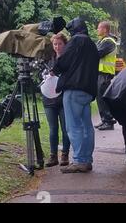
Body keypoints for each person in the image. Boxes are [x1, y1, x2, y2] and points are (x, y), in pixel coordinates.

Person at [52, 17, 99, 173]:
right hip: (88, 91)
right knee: (87, 127)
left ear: (73, 30)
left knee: (73, 126)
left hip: (73, 89)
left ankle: (79, 160)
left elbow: (63, 63)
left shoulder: (75, 41)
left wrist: (56, 66)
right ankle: (86, 160)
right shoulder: (92, 44)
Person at [41, 33, 70, 167]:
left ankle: (65, 154)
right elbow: (41, 77)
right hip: (49, 99)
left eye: (60, 44)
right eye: (55, 44)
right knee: (53, 129)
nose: (57, 47)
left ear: (65, 44)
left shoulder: (68, 59)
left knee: (65, 128)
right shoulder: (48, 60)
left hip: (63, 99)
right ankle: (53, 156)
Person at [94, 21, 117, 131]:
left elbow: (97, 53)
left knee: (102, 97)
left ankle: (108, 121)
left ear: (105, 30)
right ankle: (104, 120)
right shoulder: (102, 41)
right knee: (99, 97)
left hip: (105, 74)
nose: (97, 30)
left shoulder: (109, 42)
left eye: (99, 28)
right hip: (101, 73)